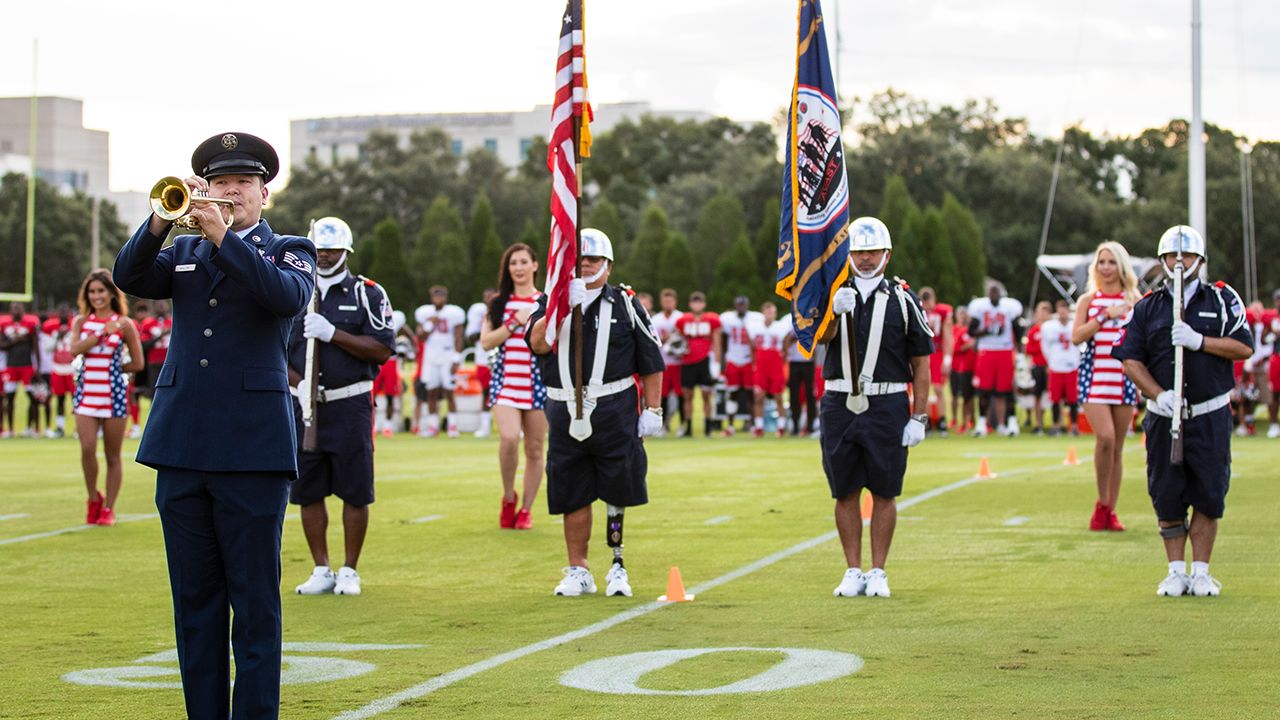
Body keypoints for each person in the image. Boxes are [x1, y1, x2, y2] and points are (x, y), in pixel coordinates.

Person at [113, 131, 315, 719]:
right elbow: (130, 276)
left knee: (254, 604)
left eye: (243, 183)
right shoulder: (185, 249)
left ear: (264, 194)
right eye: (220, 182)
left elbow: (283, 298)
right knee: (194, 604)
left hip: (253, 449)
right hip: (182, 443)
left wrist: (224, 236)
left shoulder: (289, 249)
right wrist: (161, 220)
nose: (230, 190)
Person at [1113, 226, 1253, 597]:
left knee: (1209, 491)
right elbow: (1129, 358)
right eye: (1172, 256)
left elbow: (1243, 347)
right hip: (1164, 415)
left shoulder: (1223, 300)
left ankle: (1202, 570)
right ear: (1161, 260)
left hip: (1209, 413)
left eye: (1186, 256)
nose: (1179, 262)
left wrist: (1200, 341)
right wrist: (1157, 395)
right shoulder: (1147, 306)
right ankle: (1175, 570)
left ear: (1200, 260)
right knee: (1166, 492)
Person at [526, 228, 665, 597]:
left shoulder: (626, 303)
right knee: (572, 490)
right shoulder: (549, 303)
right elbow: (538, 343)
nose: (586, 265)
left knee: (618, 487)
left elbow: (651, 359)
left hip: (614, 406)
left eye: (594, 260)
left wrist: (653, 409)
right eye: (580, 260)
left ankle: (617, 564)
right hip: (563, 406)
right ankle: (578, 569)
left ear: (608, 265)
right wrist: (558, 309)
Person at [821, 217, 933, 599]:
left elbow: (921, 361)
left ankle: (878, 570)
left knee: (885, 491)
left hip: (887, 402)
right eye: (859, 252)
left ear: (887, 254)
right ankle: (852, 569)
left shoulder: (904, 297)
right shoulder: (832, 293)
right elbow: (819, 340)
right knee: (845, 490)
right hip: (839, 399)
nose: (865, 259)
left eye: (872, 252)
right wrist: (833, 312)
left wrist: (919, 416)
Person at [289, 217, 394, 597]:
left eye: (333, 250)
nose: (325, 255)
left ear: (346, 252)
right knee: (308, 489)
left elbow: (382, 348)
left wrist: (333, 334)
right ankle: (321, 567)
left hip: (350, 402)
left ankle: (350, 568)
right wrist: (297, 384)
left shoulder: (368, 292)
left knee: (355, 489)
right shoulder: (296, 289)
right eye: (319, 249)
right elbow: (274, 348)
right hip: (306, 406)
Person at [1072, 241, 1141, 532]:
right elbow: (1077, 336)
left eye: (1112, 262)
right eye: (1102, 262)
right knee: (1106, 438)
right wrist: (1104, 317)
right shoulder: (1088, 300)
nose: (1106, 268)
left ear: (1121, 266)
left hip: (1124, 377)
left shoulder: (1135, 299)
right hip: (1095, 376)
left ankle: (1110, 510)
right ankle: (1101, 502)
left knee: (1118, 449)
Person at [480, 243, 547, 530]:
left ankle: (526, 510)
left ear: (534, 265)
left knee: (534, 448)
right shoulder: (498, 302)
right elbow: (486, 341)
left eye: (523, 262)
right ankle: (509, 497)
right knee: (508, 438)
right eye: (513, 263)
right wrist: (513, 323)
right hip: (506, 382)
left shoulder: (545, 300)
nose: (518, 268)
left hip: (538, 383)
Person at [69, 270, 144, 525]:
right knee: (87, 448)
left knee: (113, 455)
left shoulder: (124, 323)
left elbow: (138, 363)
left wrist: (114, 369)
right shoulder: (81, 321)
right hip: (87, 394)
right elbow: (74, 349)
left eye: (101, 291)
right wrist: (102, 333)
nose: (97, 296)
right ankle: (93, 498)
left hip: (114, 395)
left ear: (112, 293)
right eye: (92, 292)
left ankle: (108, 508)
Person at [967, 282, 1023, 437]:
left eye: (996, 292)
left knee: (1005, 390)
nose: (994, 295)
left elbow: (1018, 331)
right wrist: (985, 331)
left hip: (1005, 350)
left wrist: (1020, 353)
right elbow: (971, 331)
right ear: (987, 294)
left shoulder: (1009, 308)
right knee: (983, 390)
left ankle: (1009, 423)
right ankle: (981, 424)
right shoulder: (980, 308)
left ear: (1001, 294)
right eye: (991, 292)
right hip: (987, 350)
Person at [414, 286, 466, 438]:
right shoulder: (425, 313)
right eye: (436, 296)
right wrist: (429, 324)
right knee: (431, 392)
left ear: (446, 297)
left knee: (449, 392)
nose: (439, 298)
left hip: (447, 354)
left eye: (441, 295)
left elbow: (458, 336)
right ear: (431, 298)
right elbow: (420, 337)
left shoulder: (453, 313)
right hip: (431, 356)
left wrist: (456, 358)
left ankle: (452, 426)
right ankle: (432, 426)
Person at [676, 291, 722, 437]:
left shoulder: (712, 319)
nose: (697, 305)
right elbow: (676, 339)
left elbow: (717, 342)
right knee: (687, 395)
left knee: (706, 394)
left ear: (704, 304)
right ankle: (688, 427)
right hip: (688, 361)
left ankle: (708, 427)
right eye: (694, 302)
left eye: (699, 302)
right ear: (690, 304)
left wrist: (716, 364)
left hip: (704, 361)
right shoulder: (683, 320)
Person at [719, 295, 759, 435]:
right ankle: (730, 426)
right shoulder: (727, 318)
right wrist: (722, 364)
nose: (741, 307)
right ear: (735, 305)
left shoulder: (755, 318)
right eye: (739, 305)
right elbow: (723, 342)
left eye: (743, 304)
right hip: (733, 359)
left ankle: (753, 424)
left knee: (750, 394)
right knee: (732, 394)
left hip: (748, 360)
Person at [0, 302, 42, 437]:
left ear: (23, 310)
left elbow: (35, 347)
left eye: (19, 308)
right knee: (10, 398)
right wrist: (18, 340)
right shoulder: (5, 325)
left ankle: (32, 428)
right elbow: (2, 345)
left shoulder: (30, 325)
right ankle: (10, 429)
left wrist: (38, 366)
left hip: (27, 365)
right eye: (14, 309)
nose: (16, 311)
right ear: (10, 311)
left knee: (32, 397)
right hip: (11, 365)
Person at [1040, 299, 1081, 435]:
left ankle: (1073, 426)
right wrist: (1050, 361)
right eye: (1060, 309)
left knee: (1072, 399)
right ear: (1057, 311)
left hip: (1072, 365)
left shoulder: (1075, 324)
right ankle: (1056, 425)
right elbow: (1044, 346)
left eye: (1065, 309)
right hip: (1056, 366)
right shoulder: (1048, 327)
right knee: (1055, 398)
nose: (1062, 312)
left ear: (1068, 311)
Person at [750, 301, 790, 437]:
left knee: (778, 396)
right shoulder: (755, 327)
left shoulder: (780, 327)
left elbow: (785, 347)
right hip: (761, 365)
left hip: (775, 364)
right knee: (759, 397)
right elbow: (752, 347)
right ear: (763, 313)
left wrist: (782, 363)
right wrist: (754, 363)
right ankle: (759, 427)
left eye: (772, 312)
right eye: (767, 312)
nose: (770, 315)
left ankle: (781, 427)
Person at [649, 288, 685, 434]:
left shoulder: (681, 318)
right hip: (662, 362)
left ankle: (682, 424)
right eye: (665, 301)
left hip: (678, 362)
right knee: (661, 395)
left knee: (680, 394)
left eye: (670, 301)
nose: (668, 303)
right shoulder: (656, 319)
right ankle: (662, 425)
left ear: (675, 302)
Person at [918, 287, 953, 434]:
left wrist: (947, 357)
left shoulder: (942, 312)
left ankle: (942, 420)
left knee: (938, 388)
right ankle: (924, 420)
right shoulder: (917, 309)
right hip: (922, 352)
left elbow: (947, 335)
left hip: (937, 351)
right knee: (921, 388)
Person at [466, 287, 498, 438]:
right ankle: (485, 426)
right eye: (487, 296)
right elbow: (470, 338)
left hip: (501, 357)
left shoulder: (503, 310)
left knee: (505, 391)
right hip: (483, 357)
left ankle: (515, 427)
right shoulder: (478, 313)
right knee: (486, 392)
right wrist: (485, 331)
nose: (489, 299)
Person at [784, 317, 819, 436]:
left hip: (808, 362)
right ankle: (795, 424)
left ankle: (810, 425)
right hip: (794, 361)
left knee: (810, 395)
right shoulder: (790, 320)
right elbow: (786, 341)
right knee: (794, 395)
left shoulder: (812, 319)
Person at [1024, 301, 1052, 433]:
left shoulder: (1053, 328)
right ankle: (1038, 423)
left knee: (1053, 395)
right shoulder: (1034, 330)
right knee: (1037, 395)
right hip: (1038, 366)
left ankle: (1053, 422)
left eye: (1045, 311)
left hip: (1051, 366)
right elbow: (1029, 349)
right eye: (1040, 311)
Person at [949, 306, 977, 433]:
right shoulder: (954, 330)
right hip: (957, 367)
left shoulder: (970, 331)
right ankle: (955, 420)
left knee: (969, 396)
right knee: (955, 395)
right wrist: (967, 345)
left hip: (970, 367)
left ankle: (969, 421)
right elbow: (954, 348)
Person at [1264, 289, 1280, 438]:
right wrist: (1270, 333)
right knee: (1274, 393)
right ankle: (1274, 425)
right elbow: (1263, 339)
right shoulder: (1272, 319)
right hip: (1276, 357)